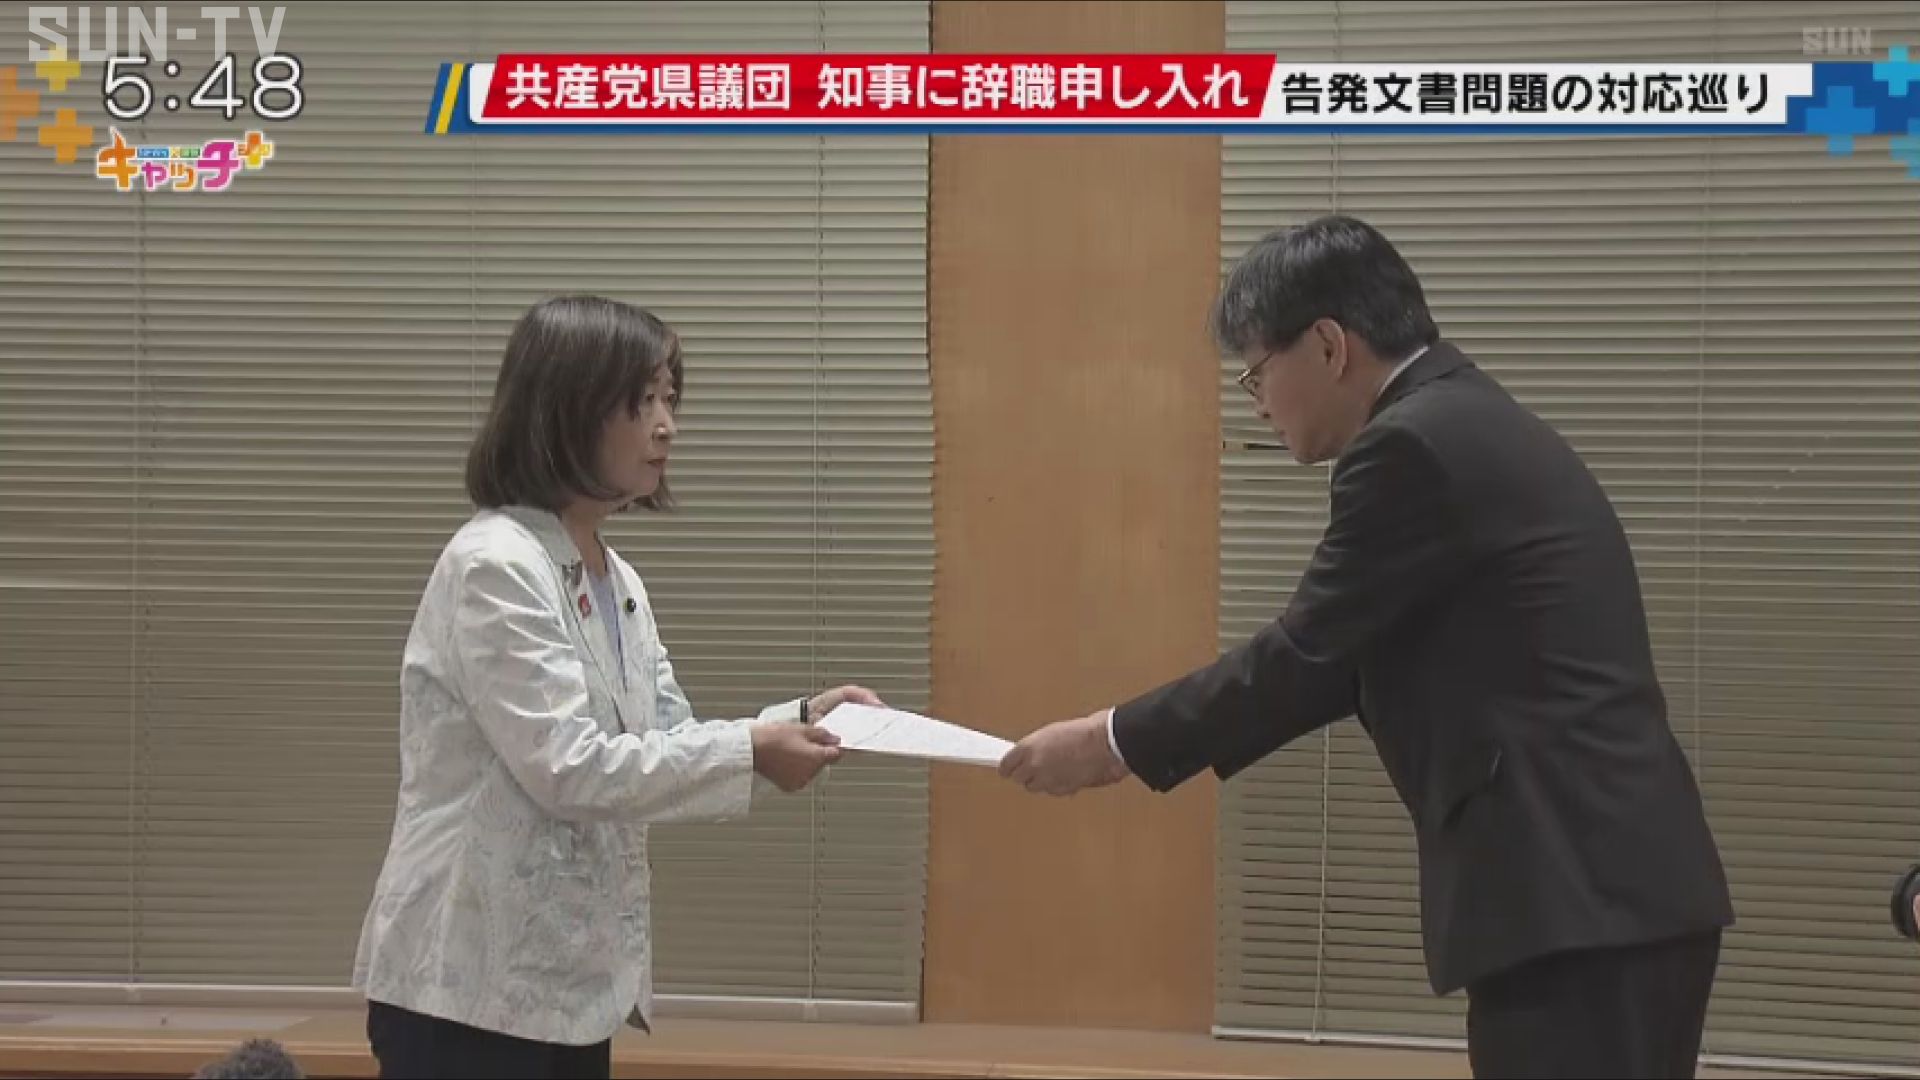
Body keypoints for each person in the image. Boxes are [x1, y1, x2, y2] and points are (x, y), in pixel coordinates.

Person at [1000, 216, 1735, 1079]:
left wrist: (1110, 741)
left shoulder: (1410, 445)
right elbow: (1339, 666)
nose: (1257, 403)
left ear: (1327, 346)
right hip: (1608, 894)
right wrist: (1121, 743)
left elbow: (1302, 655)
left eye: (1257, 373)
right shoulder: (1464, 419)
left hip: (1576, 899)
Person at [352, 294, 881, 1080]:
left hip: (567, 987)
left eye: (670, 398)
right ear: (565, 409)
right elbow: (569, 766)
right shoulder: (495, 563)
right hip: (466, 988)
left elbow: (663, 741)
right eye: (641, 401)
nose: (667, 426)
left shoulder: (614, 575)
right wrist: (755, 750)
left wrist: (799, 720)